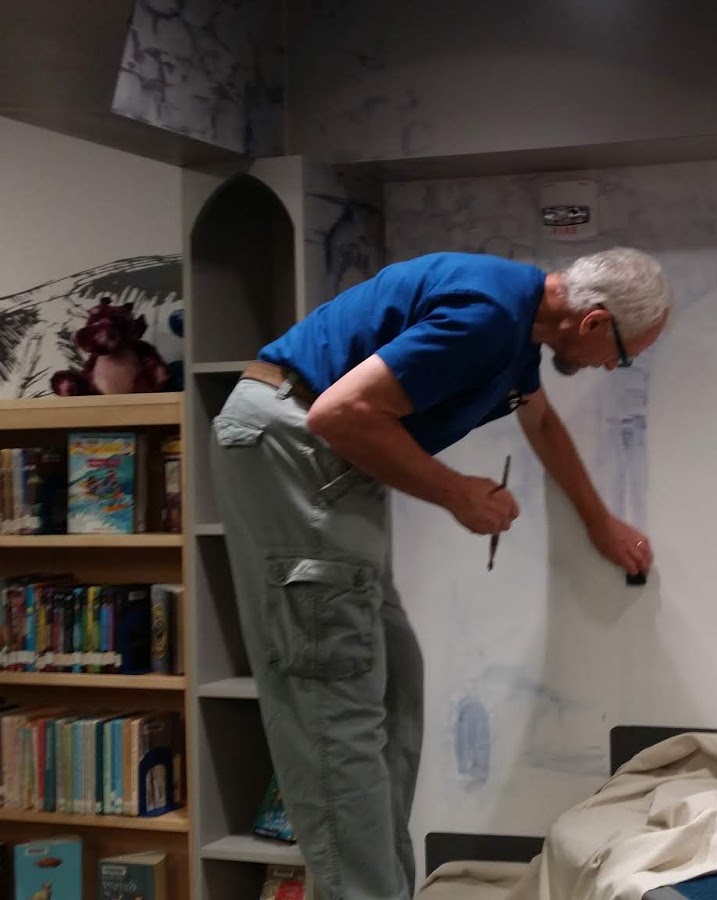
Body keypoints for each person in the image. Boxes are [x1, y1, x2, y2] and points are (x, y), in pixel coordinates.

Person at [208, 247, 671, 900]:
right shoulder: (490, 315)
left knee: (394, 689)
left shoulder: (517, 330)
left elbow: (540, 421)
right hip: (294, 445)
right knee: (335, 709)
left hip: (326, 459)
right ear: (594, 322)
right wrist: (457, 493)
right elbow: (338, 412)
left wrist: (599, 521)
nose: (611, 367)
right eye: (622, 356)